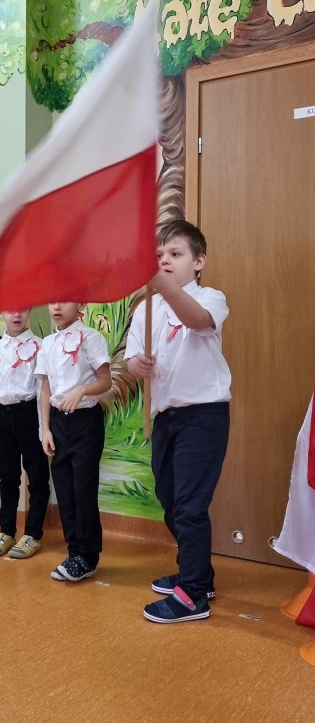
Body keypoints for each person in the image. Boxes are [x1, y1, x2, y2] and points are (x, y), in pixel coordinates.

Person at [125, 220, 231, 623]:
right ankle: (199, 574)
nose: (165, 261)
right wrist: (137, 365)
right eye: (158, 256)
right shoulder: (145, 310)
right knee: (169, 500)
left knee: (189, 506)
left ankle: (192, 596)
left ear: (198, 261)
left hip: (203, 416)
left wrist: (160, 284)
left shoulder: (210, 297)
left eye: (175, 254)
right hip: (165, 417)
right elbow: (130, 361)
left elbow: (198, 321)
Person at [36, 302, 111, 581]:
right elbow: (45, 389)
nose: (56, 306)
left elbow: (106, 381)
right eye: (52, 300)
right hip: (58, 423)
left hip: (85, 422)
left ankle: (88, 556)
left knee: (83, 489)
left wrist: (82, 390)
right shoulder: (47, 343)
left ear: (80, 304)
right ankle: (74, 552)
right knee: (64, 489)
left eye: (65, 299)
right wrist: (45, 429)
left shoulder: (91, 337)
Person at [0, 309, 50, 558]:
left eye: (22, 309)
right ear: (2, 313)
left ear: (29, 311)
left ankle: (33, 534)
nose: (16, 315)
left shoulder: (41, 346)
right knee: (7, 477)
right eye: (10, 310)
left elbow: (43, 390)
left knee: (37, 477)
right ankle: (6, 531)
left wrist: (44, 430)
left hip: (30, 415)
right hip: (4, 416)